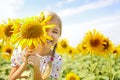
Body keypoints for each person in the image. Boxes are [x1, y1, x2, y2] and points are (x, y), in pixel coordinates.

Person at [9, 11, 62, 80]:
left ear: (59, 35)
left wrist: (36, 69)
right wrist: (25, 64)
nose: (49, 35)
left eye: (55, 31)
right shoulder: (21, 52)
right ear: (36, 29)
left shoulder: (57, 60)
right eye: (45, 29)